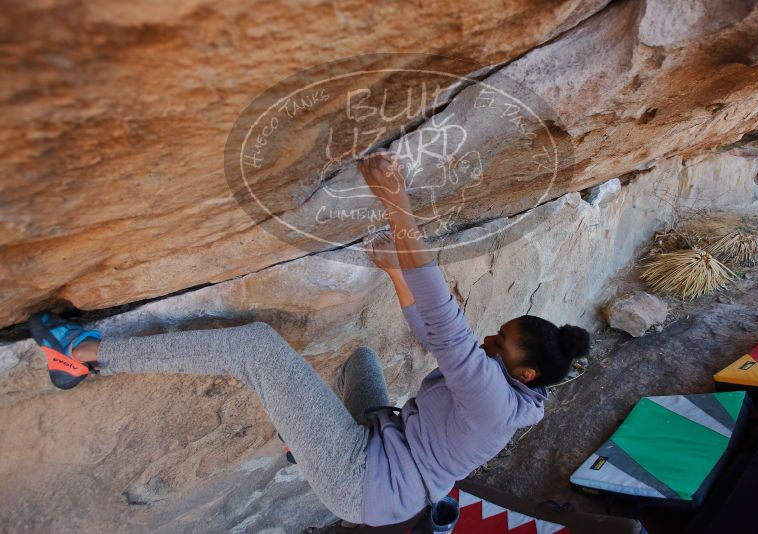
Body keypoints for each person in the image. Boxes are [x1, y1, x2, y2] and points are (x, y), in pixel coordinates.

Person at [27, 153, 590, 528]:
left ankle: (79, 355)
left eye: (498, 346)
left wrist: (397, 202)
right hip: (385, 445)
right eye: (495, 336)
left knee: (257, 349)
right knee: (362, 362)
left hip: (363, 484)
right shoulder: (511, 389)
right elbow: (432, 336)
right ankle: (305, 442)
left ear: (526, 375)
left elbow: (444, 322)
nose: (487, 342)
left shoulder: (493, 400)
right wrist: (395, 272)